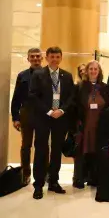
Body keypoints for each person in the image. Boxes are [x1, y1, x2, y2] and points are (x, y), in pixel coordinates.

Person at [30, 47, 75, 200]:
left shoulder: (67, 76)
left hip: (60, 118)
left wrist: (61, 110)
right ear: (47, 57)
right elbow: (34, 96)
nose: (55, 59)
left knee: (56, 150)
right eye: (52, 56)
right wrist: (49, 111)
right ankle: (38, 184)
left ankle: (54, 181)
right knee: (41, 150)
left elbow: (71, 97)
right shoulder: (38, 74)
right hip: (44, 117)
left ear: (61, 58)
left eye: (57, 56)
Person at [73, 60, 109, 189]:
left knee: (97, 151)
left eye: (96, 69)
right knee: (81, 153)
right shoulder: (80, 87)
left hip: (99, 126)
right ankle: (79, 178)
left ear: (99, 72)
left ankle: (94, 178)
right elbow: (75, 106)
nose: (93, 71)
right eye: (91, 69)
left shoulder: (105, 88)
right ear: (87, 71)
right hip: (84, 124)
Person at [11, 48, 43, 184]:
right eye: (32, 57)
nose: (35, 59)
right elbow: (16, 98)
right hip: (26, 114)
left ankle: (42, 173)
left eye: (37, 56)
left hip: (43, 114)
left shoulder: (48, 74)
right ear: (28, 59)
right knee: (26, 146)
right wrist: (15, 117)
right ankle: (26, 173)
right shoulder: (22, 75)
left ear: (41, 58)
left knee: (42, 146)